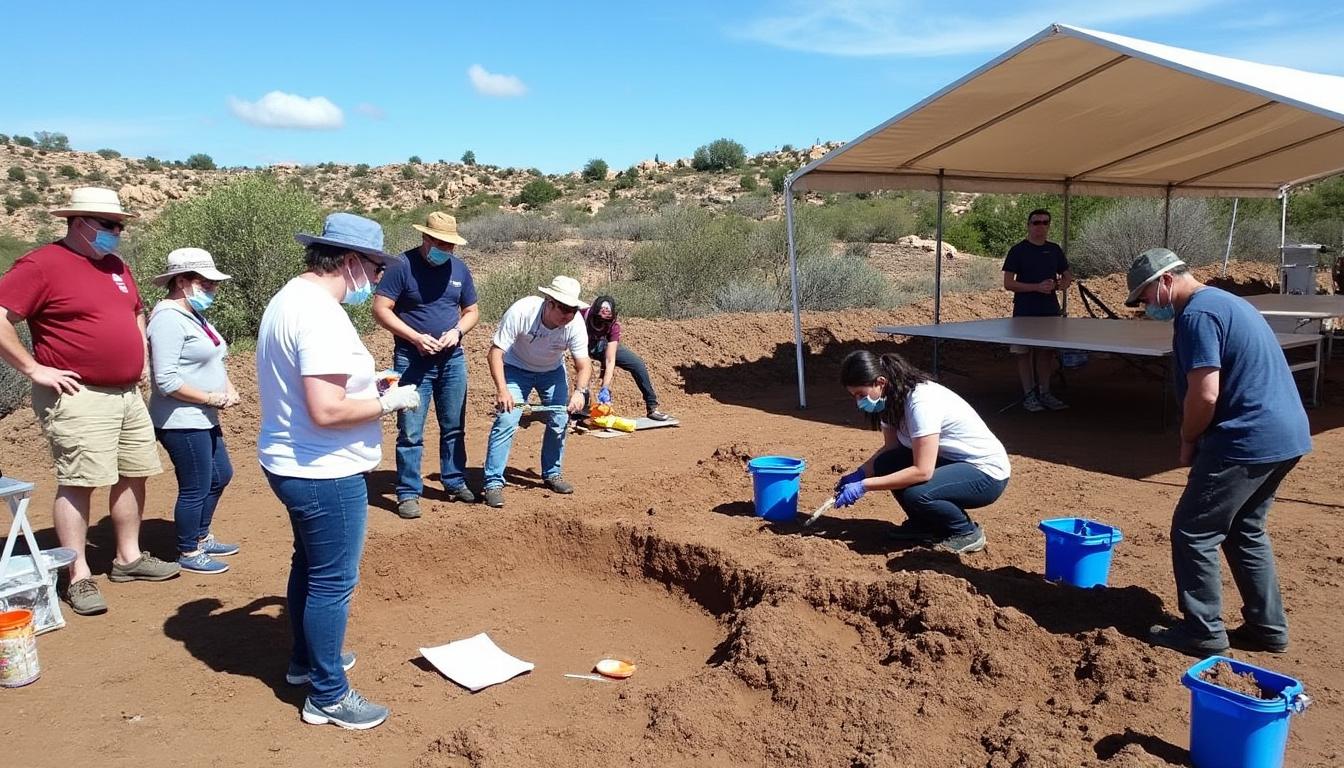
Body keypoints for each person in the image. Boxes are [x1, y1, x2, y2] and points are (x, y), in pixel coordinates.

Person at [256, 213, 421, 730]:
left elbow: (314, 393)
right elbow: (326, 411)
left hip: (293, 460)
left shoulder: (289, 299)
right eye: (374, 269)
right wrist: (391, 402)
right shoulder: (321, 316)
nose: (375, 281)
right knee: (333, 581)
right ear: (350, 261)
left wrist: (369, 388)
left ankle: (308, 664)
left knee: (309, 566)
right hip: (323, 469)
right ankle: (328, 694)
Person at [0, 187, 180, 616]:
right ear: (79, 223)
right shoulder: (42, 264)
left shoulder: (117, 265)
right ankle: (77, 573)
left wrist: (139, 353)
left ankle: (128, 558)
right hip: (78, 395)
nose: (117, 233)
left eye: (119, 226)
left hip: (125, 393)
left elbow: (136, 309)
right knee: (80, 480)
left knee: (135, 473)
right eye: (109, 226)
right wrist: (34, 369)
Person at [1125, 248, 1311, 656]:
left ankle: (1203, 631)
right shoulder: (1227, 302)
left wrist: (1189, 438)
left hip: (1245, 439)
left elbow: (1205, 393)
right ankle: (1268, 628)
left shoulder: (1197, 315)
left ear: (1167, 281)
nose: (1145, 306)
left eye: (1144, 297)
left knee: (1194, 531)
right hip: (1284, 436)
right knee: (1245, 530)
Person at [833, 350, 1011, 554]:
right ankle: (925, 525)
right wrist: (860, 472)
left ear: (880, 382)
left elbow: (922, 471)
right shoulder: (889, 401)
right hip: (950, 462)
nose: (858, 402)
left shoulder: (920, 403)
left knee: (917, 494)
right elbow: (891, 449)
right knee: (886, 462)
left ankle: (965, 532)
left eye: (861, 395)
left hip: (986, 474)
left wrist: (864, 485)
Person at [372, 212, 480, 519]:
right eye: (441, 243)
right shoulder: (401, 267)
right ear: (426, 238)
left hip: (452, 360)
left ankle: (454, 480)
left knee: (454, 425)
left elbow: (471, 310)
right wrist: (415, 337)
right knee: (410, 430)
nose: (446, 250)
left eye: (451, 245)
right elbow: (381, 309)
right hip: (411, 359)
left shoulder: (459, 269)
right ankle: (407, 491)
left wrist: (458, 331)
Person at [147, 248, 241, 575]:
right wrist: (210, 398)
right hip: (181, 419)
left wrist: (227, 388)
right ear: (183, 281)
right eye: (206, 282)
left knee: (221, 474)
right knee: (196, 484)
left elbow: (214, 357)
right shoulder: (167, 319)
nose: (212, 289)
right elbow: (166, 381)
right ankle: (188, 548)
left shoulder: (193, 315)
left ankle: (201, 535)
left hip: (202, 415)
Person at [481, 276, 594, 509]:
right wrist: (502, 390)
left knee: (560, 419)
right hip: (515, 368)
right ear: (549, 302)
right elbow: (495, 353)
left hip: (552, 371)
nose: (568, 315)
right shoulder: (522, 311)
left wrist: (580, 392)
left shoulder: (574, 324)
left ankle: (552, 473)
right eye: (564, 308)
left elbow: (584, 364)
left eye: (573, 309)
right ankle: (492, 483)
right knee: (507, 418)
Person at [1002, 208, 1073, 412]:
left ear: (1049, 225)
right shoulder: (1018, 250)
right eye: (1036, 222)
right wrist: (1036, 287)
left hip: (1049, 309)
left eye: (1044, 222)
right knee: (1023, 352)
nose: (1040, 226)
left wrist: (1060, 284)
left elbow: (1068, 276)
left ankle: (1045, 392)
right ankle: (1029, 395)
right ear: (1028, 225)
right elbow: (1008, 283)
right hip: (1025, 309)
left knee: (1046, 352)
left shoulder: (1054, 250)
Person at [582, 295, 671, 421]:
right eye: (601, 321)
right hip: (581, 346)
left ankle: (652, 407)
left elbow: (610, 359)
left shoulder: (613, 326)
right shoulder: (581, 315)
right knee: (585, 369)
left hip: (603, 346)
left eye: (607, 321)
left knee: (637, 364)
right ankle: (580, 406)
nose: (604, 324)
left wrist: (605, 387)